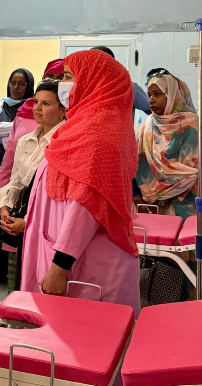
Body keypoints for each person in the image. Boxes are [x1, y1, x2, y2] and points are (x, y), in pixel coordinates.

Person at [21, 50, 141, 317]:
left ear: (92, 81)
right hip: (63, 249)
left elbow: (85, 205)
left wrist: (60, 267)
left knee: (87, 334)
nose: (62, 84)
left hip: (84, 264)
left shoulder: (99, 134)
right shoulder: (81, 125)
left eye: (68, 77)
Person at [0, 81, 66, 292]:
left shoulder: (64, 144)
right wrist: (5, 207)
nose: (37, 108)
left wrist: (28, 222)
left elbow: (59, 199)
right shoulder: (26, 141)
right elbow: (17, 181)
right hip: (24, 219)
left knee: (45, 286)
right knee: (24, 282)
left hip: (51, 228)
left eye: (46, 104)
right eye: (36, 102)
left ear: (63, 109)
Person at [0, 68, 35, 284]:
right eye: (13, 82)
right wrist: (19, 125)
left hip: (22, 167)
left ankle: (13, 271)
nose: (16, 87)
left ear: (29, 86)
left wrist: (10, 130)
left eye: (21, 83)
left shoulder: (33, 106)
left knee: (18, 212)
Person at [135, 72, 202, 218]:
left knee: (183, 233)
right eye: (149, 95)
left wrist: (162, 199)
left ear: (173, 95)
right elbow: (136, 163)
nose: (151, 100)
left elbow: (192, 171)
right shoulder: (147, 125)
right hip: (149, 204)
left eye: (157, 94)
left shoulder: (191, 125)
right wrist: (140, 196)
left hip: (186, 203)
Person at [92, 46, 151, 118]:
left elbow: (153, 112)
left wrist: (146, 124)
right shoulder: (83, 90)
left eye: (99, 62)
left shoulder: (130, 88)